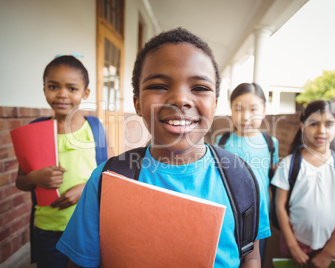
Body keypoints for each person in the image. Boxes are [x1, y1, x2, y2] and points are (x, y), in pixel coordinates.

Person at [56, 28, 270, 268]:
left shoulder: (242, 180)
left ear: (215, 104)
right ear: (137, 103)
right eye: (159, 86)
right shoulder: (107, 180)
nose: (180, 99)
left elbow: (250, 256)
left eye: (199, 87)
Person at [15, 55, 111, 268]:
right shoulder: (34, 132)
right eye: (53, 86)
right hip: (48, 228)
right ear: (44, 89)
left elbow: (110, 175)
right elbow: (20, 182)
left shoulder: (95, 129)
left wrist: (85, 188)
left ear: (85, 93)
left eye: (72, 88)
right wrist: (34, 177)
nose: (62, 94)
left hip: (88, 227)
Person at [271, 100, 335, 268]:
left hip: (329, 247)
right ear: (302, 125)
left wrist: (329, 252)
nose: (321, 130)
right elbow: (280, 207)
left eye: (328, 124)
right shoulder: (288, 165)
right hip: (293, 244)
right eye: (313, 124)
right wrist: (292, 245)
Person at [215, 82, 279, 264]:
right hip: (230, 216)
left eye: (253, 109)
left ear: (264, 110)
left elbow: (269, 178)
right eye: (238, 109)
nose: (245, 117)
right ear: (231, 111)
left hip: (260, 219)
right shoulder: (223, 141)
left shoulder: (270, 143)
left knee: (255, 258)